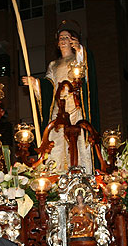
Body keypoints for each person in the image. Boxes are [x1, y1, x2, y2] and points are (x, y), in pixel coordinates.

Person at [21, 20, 99, 175]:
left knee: (78, 137)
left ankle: (81, 173)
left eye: (67, 38)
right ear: (57, 43)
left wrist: (80, 50)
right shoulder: (53, 64)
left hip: (76, 104)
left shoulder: (79, 57)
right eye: (61, 38)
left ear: (73, 41)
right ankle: (57, 175)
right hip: (59, 106)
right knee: (55, 139)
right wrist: (35, 82)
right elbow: (49, 85)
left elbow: (87, 70)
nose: (63, 40)